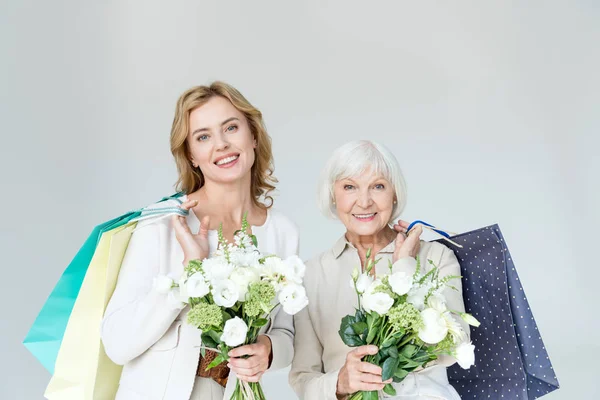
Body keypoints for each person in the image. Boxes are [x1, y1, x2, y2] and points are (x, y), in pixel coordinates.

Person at [101, 82, 299, 400]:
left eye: (231, 128)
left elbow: (286, 332)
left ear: (253, 135)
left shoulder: (283, 232)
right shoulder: (163, 224)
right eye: (203, 136)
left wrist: (269, 349)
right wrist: (188, 273)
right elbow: (117, 342)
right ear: (191, 155)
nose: (221, 145)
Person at [289, 140, 467, 399]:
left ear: (394, 193)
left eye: (378, 186)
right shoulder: (312, 275)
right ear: (333, 196)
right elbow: (303, 378)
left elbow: (454, 348)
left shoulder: (437, 257)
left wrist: (404, 267)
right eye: (349, 187)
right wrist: (340, 382)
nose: (364, 202)